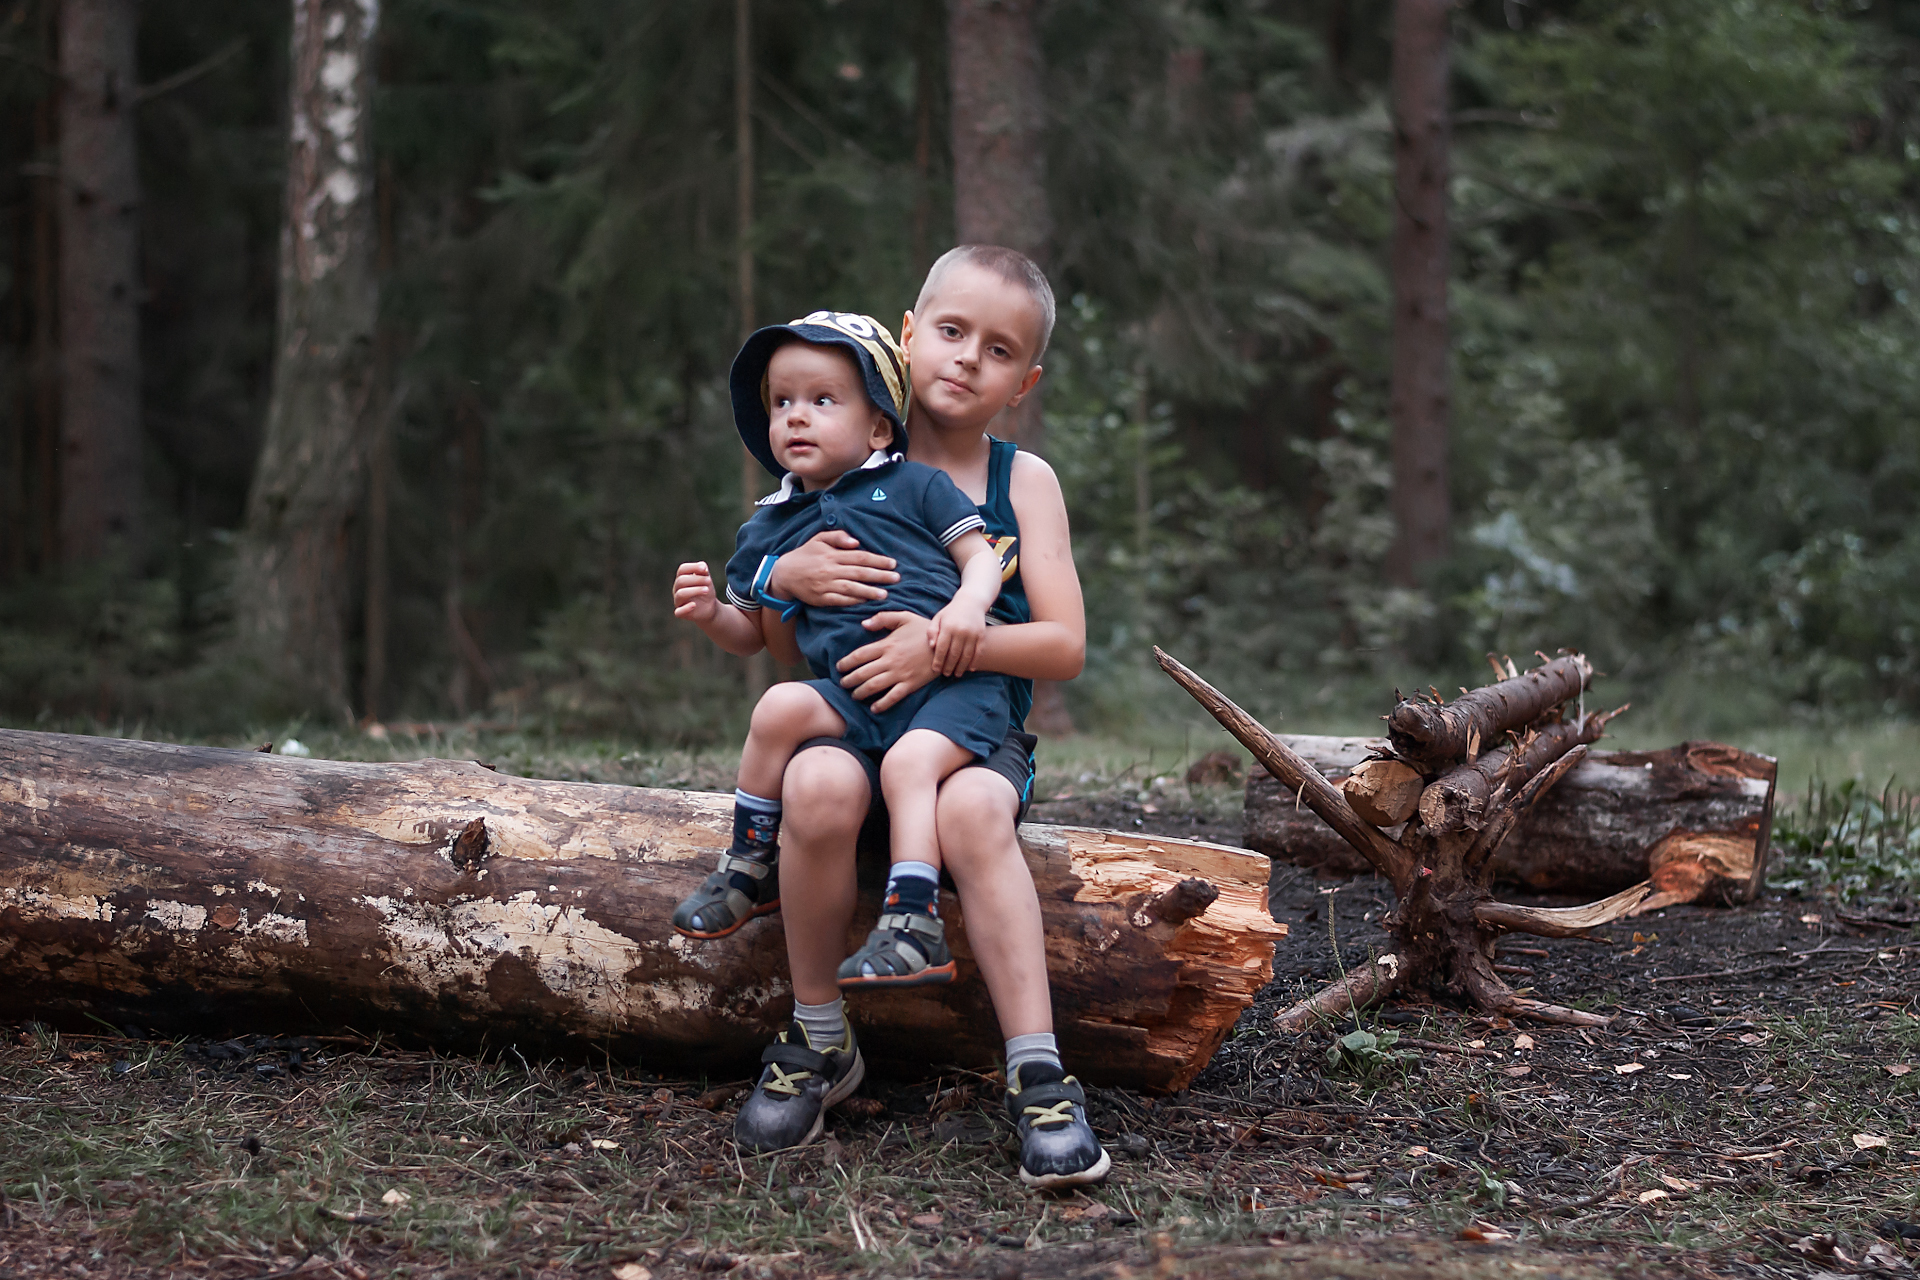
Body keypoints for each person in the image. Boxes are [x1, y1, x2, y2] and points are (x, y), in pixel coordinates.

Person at [728, 246, 1110, 1190]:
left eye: (997, 349)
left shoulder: (1022, 483)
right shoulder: (836, 462)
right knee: (813, 781)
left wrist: (949, 642)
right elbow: (781, 644)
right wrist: (793, 579)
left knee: (975, 812)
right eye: (949, 332)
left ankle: (1037, 1072)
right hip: (850, 727)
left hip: (970, 734)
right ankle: (820, 1035)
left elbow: (1063, 646)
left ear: (1022, 383)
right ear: (906, 336)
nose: (966, 358)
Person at [670, 311, 1013, 993]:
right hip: (854, 698)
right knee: (779, 706)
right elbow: (754, 637)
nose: (797, 417)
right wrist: (713, 613)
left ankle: (913, 923)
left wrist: (968, 608)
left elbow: (980, 561)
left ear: (879, 427)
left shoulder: (915, 486)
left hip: (948, 687)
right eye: (782, 402)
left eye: (823, 401)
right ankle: (749, 860)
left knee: (912, 765)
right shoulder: (768, 524)